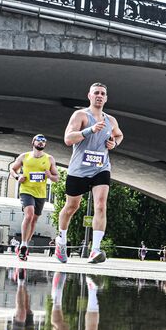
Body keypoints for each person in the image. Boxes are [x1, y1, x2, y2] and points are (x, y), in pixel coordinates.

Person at [56, 82, 122, 265]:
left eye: (102, 93)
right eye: (96, 93)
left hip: (101, 167)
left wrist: (114, 143)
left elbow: (119, 135)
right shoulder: (80, 115)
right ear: (89, 96)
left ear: (106, 98)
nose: (99, 96)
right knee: (72, 207)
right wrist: (90, 130)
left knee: (101, 205)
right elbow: (68, 139)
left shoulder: (111, 120)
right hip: (78, 169)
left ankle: (95, 250)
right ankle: (61, 240)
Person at [9, 133, 59, 261]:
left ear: (45, 144)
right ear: (33, 142)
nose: (41, 142)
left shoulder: (49, 159)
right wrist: (17, 177)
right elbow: (12, 168)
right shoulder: (24, 156)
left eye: (43, 141)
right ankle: (24, 245)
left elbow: (57, 178)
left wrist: (49, 175)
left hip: (41, 193)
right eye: (39, 140)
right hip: (26, 190)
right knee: (29, 215)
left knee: (34, 220)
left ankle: (24, 244)